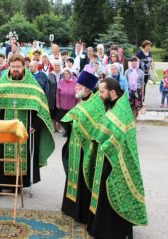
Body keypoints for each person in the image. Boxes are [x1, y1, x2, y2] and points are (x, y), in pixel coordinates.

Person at [0, 55, 55, 199]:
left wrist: (35, 124)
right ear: (9, 66)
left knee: (22, 156)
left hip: (25, 128)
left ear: (24, 67)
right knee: (0, 155)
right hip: (4, 127)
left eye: (18, 67)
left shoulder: (32, 84)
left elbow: (41, 106)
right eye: (13, 66)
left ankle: (18, 184)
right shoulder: (3, 83)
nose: (15, 69)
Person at [87, 77, 148, 239]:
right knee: (104, 192)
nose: (99, 95)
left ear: (112, 92)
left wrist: (105, 145)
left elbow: (121, 136)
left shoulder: (122, 109)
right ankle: (102, 228)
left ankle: (111, 231)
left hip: (116, 159)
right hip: (107, 157)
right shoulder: (114, 104)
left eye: (102, 92)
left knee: (111, 191)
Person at [60, 71, 104, 225]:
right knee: (73, 174)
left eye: (79, 86)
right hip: (75, 145)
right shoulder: (83, 101)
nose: (76, 88)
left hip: (86, 148)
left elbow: (93, 125)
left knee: (82, 176)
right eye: (77, 85)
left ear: (88, 89)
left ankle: (81, 212)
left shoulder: (96, 103)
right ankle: (70, 208)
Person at [56, 70, 79, 136]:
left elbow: (78, 94)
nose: (66, 76)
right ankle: (67, 131)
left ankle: (69, 132)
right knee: (63, 119)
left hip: (72, 105)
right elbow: (58, 94)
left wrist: (77, 104)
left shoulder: (75, 82)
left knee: (70, 120)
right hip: (62, 104)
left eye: (67, 74)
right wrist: (57, 103)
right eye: (65, 74)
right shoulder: (61, 81)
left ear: (70, 75)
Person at [124, 56, 145, 120]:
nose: (134, 63)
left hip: (137, 92)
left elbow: (142, 84)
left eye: (135, 61)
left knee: (136, 108)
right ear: (130, 63)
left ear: (137, 63)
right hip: (129, 92)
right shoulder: (127, 71)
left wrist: (142, 95)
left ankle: (135, 121)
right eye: (132, 61)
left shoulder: (141, 72)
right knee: (130, 107)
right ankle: (130, 122)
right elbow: (125, 82)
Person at [48, 61, 64, 132]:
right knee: (53, 112)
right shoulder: (50, 74)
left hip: (61, 97)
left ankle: (59, 127)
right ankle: (54, 127)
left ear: (60, 66)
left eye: (58, 66)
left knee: (60, 112)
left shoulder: (63, 74)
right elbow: (48, 86)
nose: (57, 67)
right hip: (52, 96)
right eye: (55, 66)